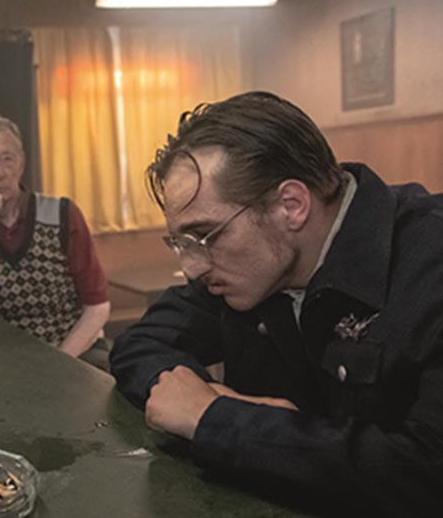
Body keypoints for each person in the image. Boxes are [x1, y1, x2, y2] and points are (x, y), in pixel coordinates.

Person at [109, 91, 443, 514]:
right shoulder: (244, 267)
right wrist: (196, 399)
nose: (192, 268)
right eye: (182, 243)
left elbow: (426, 473)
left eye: (205, 236)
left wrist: (220, 419)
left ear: (291, 206)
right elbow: (140, 344)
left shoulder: (429, 262)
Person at [0, 114, 111, 363]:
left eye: (7, 159)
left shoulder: (63, 213)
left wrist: (59, 363)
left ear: (21, 163)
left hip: (69, 351)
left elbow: (97, 307)